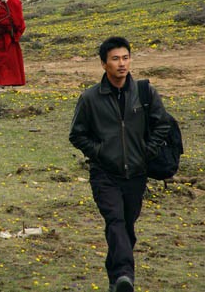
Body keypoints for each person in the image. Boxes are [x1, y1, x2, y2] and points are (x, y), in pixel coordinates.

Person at [69, 37, 170, 292]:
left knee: (126, 227)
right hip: (105, 173)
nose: (121, 64)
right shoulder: (90, 98)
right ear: (104, 64)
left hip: (137, 173)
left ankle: (116, 280)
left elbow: (162, 124)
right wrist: (100, 152)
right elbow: (77, 134)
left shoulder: (145, 92)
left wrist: (147, 152)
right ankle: (125, 275)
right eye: (115, 59)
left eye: (125, 58)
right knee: (115, 221)